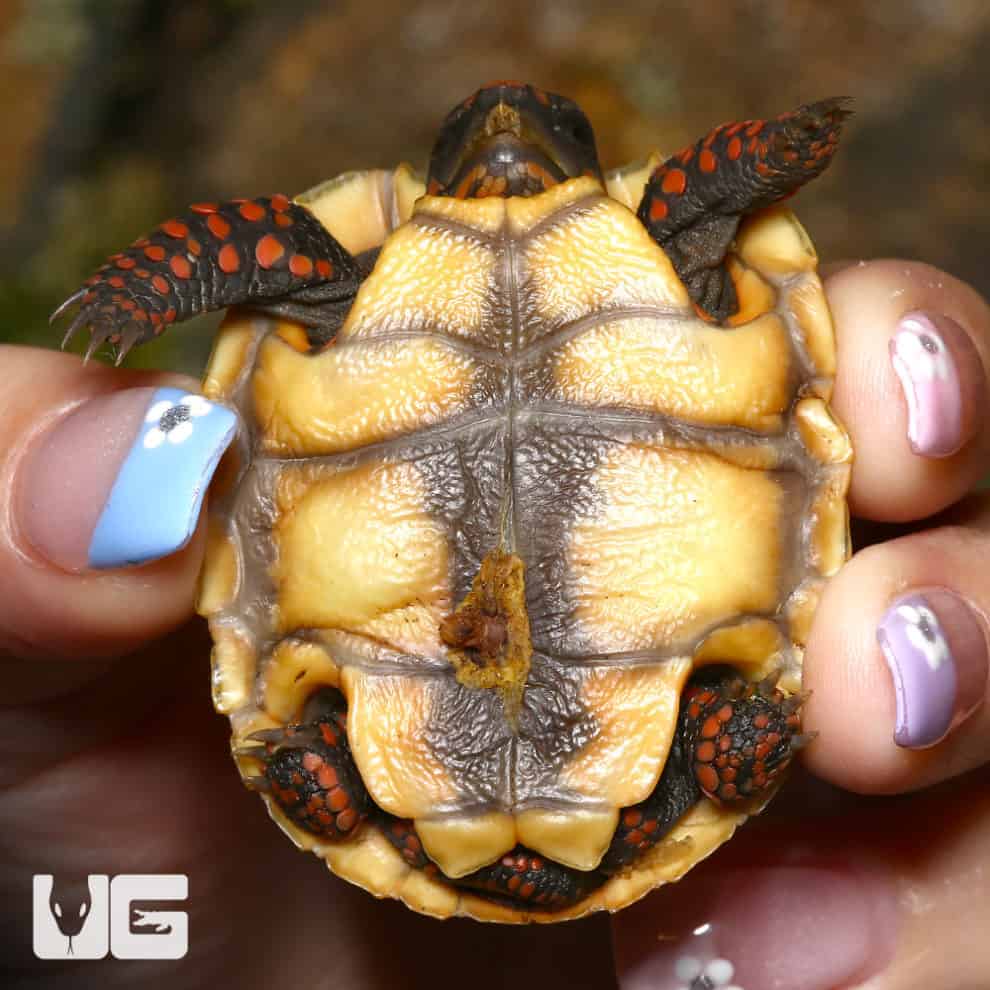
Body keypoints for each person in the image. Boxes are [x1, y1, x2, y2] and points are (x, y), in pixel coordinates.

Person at [1, 258, 987, 990]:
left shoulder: (350, 279)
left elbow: (279, 261)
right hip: (542, 800)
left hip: (503, 800)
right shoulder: (657, 268)